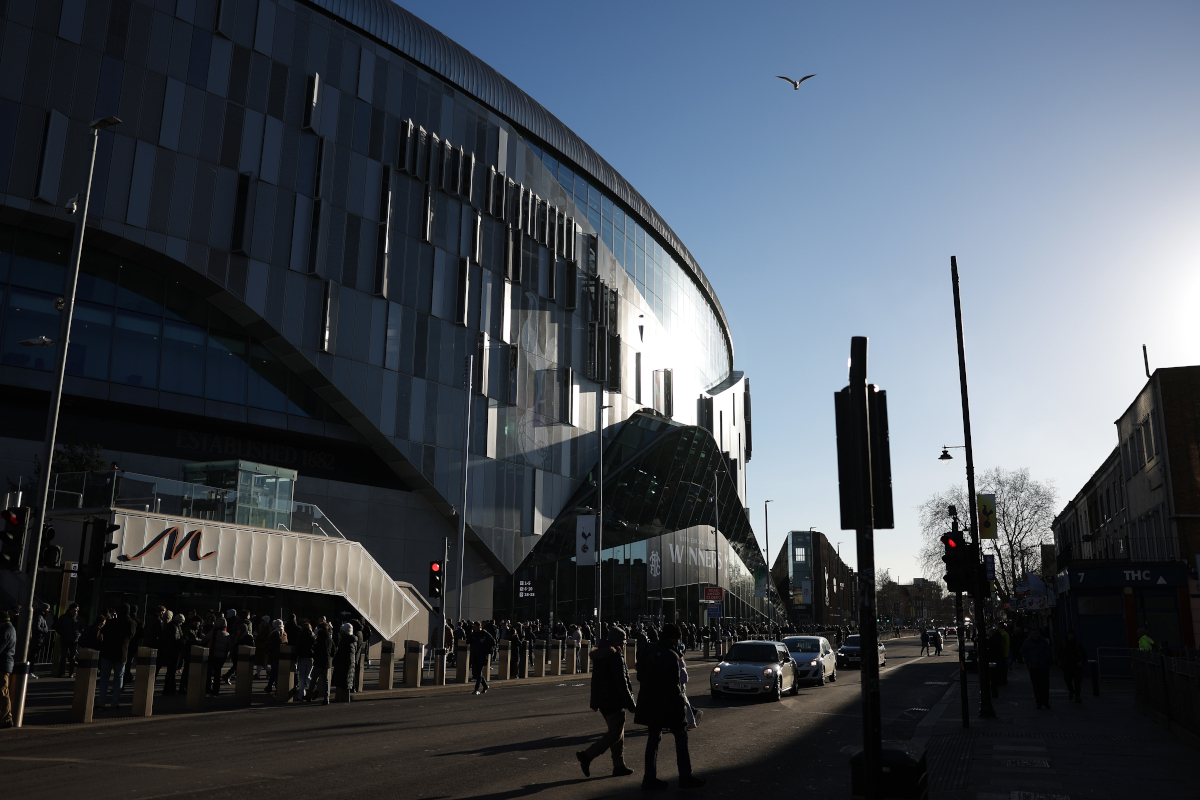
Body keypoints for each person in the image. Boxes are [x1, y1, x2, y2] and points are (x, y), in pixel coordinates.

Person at [634, 623, 705, 790]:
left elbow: (640, 676)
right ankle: (685, 777)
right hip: (666, 703)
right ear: (674, 638)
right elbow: (674, 686)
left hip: (649, 701)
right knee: (681, 737)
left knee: (653, 738)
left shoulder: (649, 651)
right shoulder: (671, 655)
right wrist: (683, 710)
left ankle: (649, 777)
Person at [576, 626, 637, 778]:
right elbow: (622, 683)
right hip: (614, 700)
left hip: (604, 701)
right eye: (623, 641)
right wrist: (631, 704)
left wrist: (594, 702)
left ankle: (619, 765)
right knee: (615, 734)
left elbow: (595, 681)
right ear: (618, 641)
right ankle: (587, 755)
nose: (624, 644)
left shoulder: (601, 656)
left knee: (618, 734)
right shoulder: (616, 657)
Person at [96, 603, 137, 709]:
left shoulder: (111, 622)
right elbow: (131, 636)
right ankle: (115, 702)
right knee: (119, 678)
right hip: (121, 653)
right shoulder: (132, 623)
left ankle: (101, 702)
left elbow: (103, 631)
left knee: (104, 678)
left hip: (108, 652)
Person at [1020, 627, 1054, 709]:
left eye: (1036, 633)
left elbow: (1049, 651)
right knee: (1036, 685)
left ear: (1039, 634)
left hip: (1043, 666)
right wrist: (1029, 659)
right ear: (1031, 634)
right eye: (1033, 633)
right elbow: (1023, 651)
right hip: (1033, 667)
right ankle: (1038, 702)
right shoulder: (1027, 642)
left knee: (1045, 685)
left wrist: (1046, 660)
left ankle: (1045, 701)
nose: (1035, 635)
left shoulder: (1044, 641)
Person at [54, 604, 85, 677]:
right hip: (66, 639)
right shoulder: (64, 617)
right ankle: (61, 672)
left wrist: (78, 634)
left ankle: (70, 673)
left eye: (77, 610)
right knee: (63, 657)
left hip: (74, 640)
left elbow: (81, 628)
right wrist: (63, 633)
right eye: (75, 609)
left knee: (72, 657)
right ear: (71, 609)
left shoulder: (78, 618)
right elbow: (57, 627)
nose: (76, 611)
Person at [331, 622, 358, 702]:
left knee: (342, 681)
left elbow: (340, 653)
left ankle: (342, 698)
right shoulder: (352, 640)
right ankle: (342, 698)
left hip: (343, 664)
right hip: (348, 663)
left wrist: (335, 661)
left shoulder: (345, 641)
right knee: (345, 681)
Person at [467, 621, 496, 695]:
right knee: (477, 673)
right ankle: (485, 686)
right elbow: (467, 641)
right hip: (475, 656)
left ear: (479, 627)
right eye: (473, 627)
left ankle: (476, 689)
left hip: (482, 656)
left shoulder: (484, 634)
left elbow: (493, 642)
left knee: (479, 673)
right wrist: (471, 634)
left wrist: (484, 641)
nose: (474, 629)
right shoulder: (474, 634)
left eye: (475, 627)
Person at [1060, 630, 1088, 703]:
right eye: (1069, 635)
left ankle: (1077, 695)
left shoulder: (1077, 644)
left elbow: (1084, 654)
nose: (1070, 637)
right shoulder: (1063, 644)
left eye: (1072, 635)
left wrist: (1081, 662)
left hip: (1075, 665)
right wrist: (1062, 661)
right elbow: (1059, 654)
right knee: (1068, 681)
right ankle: (1071, 691)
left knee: (1077, 682)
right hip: (1067, 665)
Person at [292, 621, 315, 701]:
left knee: (301, 678)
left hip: (302, 657)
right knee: (308, 676)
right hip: (311, 658)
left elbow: (298, 648)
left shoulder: (301, 636)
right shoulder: (313, 636)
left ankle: (301, 695)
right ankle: (314, 689)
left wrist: (295, 658)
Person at [312, 621, 334, 703]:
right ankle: (326, 698)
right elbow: (333, 650)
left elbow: (316, 649)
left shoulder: (319, 637)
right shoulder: (329, 638)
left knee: (314, 679)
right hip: (327, 661)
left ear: (320, 628)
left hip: (318, 661)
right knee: (325, 681)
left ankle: (309, 695)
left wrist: (314, 656)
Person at [207, 619, 230, 695]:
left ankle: (207, 689)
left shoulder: (214, 632)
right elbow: (228, 646)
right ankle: (216, 690)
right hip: (221, 656)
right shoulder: (227, 634)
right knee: (217, 674)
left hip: (212, 655)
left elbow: (205, 638)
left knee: (209, 673)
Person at [1, 611, 15, 728]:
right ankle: (6, 718)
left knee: (2, 691)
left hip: (3, 664)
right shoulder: (10, 630)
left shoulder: (5, 632)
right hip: (5, 664)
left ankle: (6, 718)